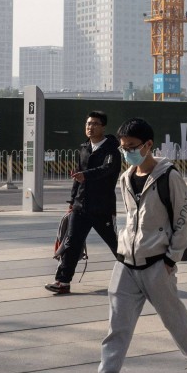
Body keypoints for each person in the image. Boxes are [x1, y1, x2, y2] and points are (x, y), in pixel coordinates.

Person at [74, 118, 187, 373]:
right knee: (116, 328)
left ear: (149, 145)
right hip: (126, 263)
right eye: (124, 148)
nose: (127, 152)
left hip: (157, 264)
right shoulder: (125, 178)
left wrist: (171, 259)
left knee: (174, 320)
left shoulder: (169, 176)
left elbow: (183, 220)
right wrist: (123, 248)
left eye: (132, 147)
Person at [46, 111, 122, 295]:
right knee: (71, 243)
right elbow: (77, 177)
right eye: (88, 123)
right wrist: (72, 201)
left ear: (103, 127)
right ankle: (63, 282)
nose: (90, 127)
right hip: (81, 207)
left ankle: (137, 276)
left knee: (117, 245)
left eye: (95, 124)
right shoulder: (84, 148)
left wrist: (85, 175)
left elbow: (107, 169)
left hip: (102, 207)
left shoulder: (112, 149)